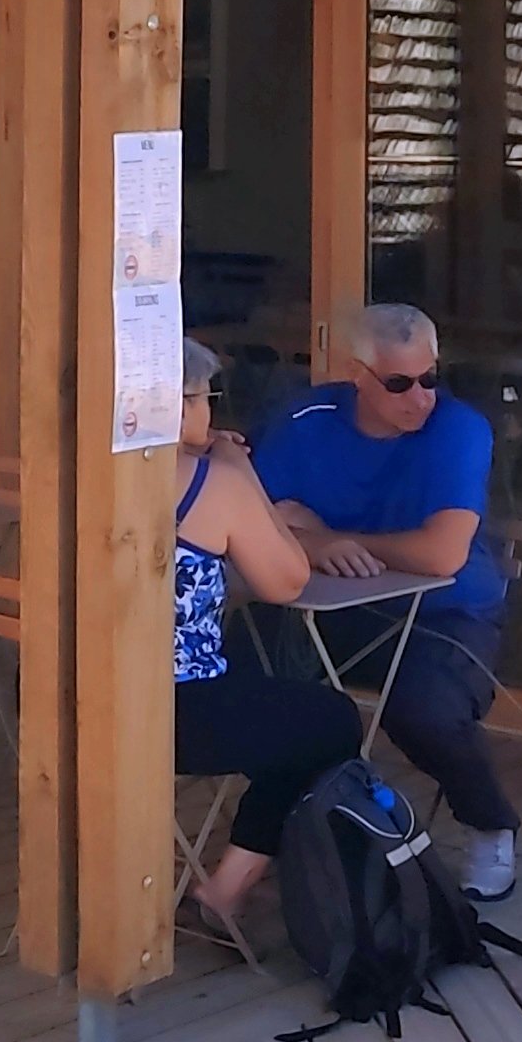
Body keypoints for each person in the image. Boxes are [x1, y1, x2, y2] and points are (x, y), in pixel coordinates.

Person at [252, 303, 522, 897]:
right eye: (399, 383)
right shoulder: (305, 418)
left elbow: (443, 555)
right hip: (329, 611)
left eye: (430, 378)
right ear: (356, 375)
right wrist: (312, 541)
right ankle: (280, 835)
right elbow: (250, 517)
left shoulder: (457, 427)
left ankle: (490, 826)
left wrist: (320, 537)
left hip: (447, 613)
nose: (420, 397)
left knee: (423, 709)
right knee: (246, 683)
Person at [170, 339, 367, 942]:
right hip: (172, 712)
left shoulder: (71, 469)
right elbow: (287, 580)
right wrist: (238, 471)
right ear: (176, 405)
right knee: (329, 722)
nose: (210, 413)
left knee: (260, 680)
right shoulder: (208, 481)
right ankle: (224, 890)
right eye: (205, 399)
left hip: (57, 697)